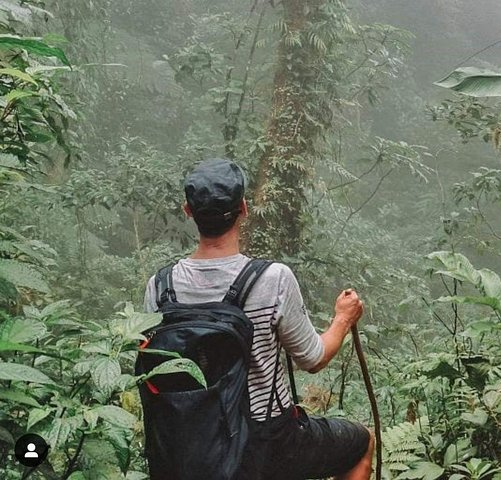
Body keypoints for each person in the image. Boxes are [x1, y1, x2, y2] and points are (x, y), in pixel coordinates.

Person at [142, 158, 374, 480]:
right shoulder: (272, 278)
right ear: (245, 209)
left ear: (188, 211)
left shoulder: (160, 287)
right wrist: (343, 319)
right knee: (362, 442)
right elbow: (313, 359)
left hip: (186, 442)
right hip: (267, 442)